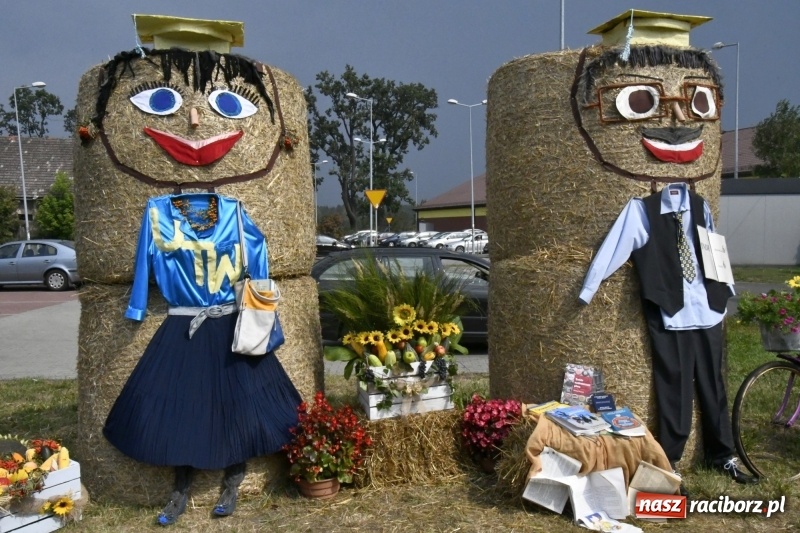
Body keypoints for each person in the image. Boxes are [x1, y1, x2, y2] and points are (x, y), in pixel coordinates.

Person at [104, 193, 302, 525]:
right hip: (184, 326)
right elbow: (144, 259)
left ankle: (233, 479)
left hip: (229, 324)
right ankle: (180, 487)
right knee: (180, 405)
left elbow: (257, 247)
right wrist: (137, 304)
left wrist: (261, 298)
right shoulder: (157, 213)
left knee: (238, 401)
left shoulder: (234, 211)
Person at [580, 182, 756, 487]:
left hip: (708, 309)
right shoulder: (642, 210)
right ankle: (669, 461)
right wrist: (589, 289)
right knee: (673, 385)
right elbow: (614, 247)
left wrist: (726, 289)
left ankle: (722, 455)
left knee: (715, 385)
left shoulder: (700, 205)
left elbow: (713, 247)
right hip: (670, 312)